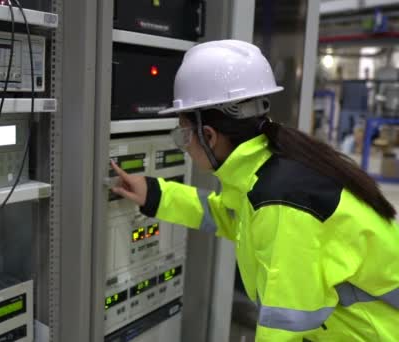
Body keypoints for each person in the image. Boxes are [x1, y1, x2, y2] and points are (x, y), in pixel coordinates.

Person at [110, 40, 399, 341]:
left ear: (208, 136)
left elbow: (284, 328)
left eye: (183, 135)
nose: (184, 146)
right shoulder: (269, 168)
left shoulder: (281, 202)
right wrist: (155, 195)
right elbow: (230, 217)